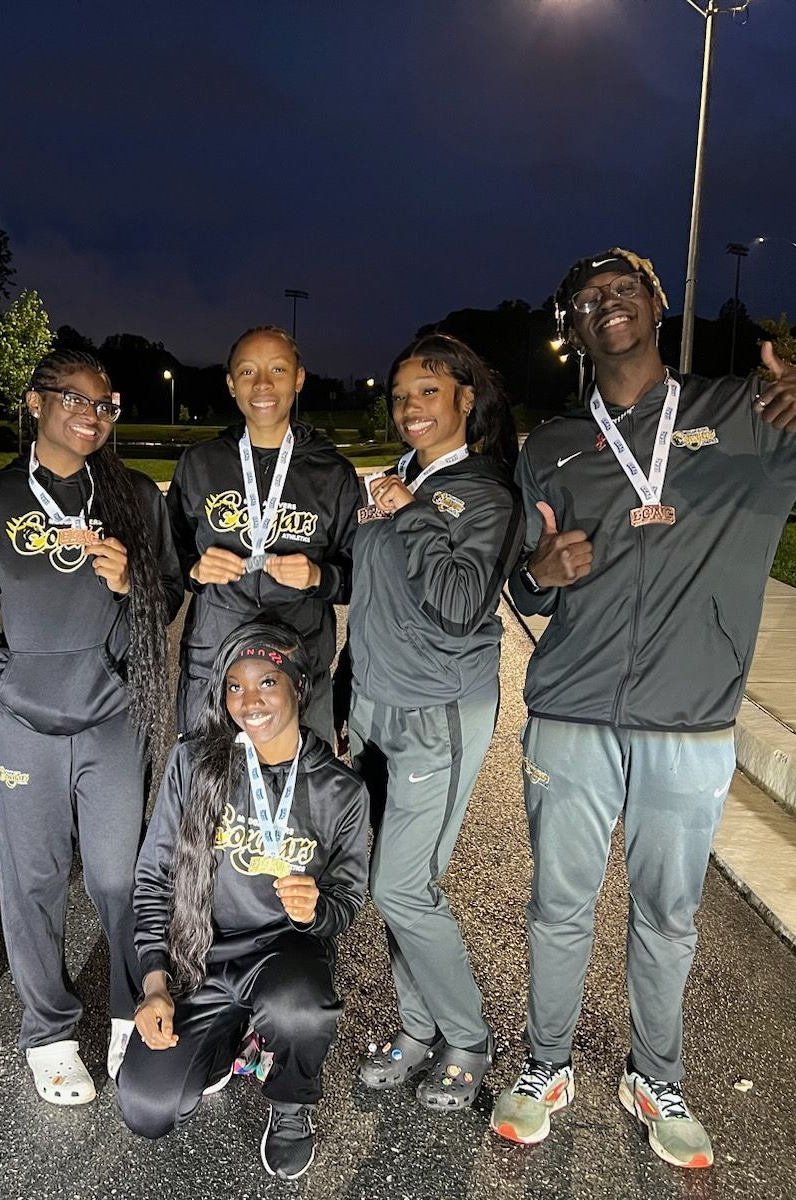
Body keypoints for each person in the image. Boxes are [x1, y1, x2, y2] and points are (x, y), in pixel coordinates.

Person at [491, 248, 796, 1167]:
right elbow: (525, 590)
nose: (606, 305)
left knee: (667, 913)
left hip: (691, 723)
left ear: (656, 304)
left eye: (622, 289)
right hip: (572, 713)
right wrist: (537, 576)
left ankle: (656, 1077)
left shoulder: (746, 415)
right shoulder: (553, 444)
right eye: (586, 299)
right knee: (559, 907)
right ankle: (546, 1064)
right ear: (571, 330)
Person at [0, 349, 182, 1105]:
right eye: (73, 399)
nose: (92, 414)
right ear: (35, 402)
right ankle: (47, 1031)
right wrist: (14, 687)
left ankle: (127, 1012)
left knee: (122, 879)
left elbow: (168, 599)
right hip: (27, 724)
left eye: (105, 403)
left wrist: (128, 582)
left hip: (115, 719)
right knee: (34, 881)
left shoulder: (137, 499)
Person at [343, 333, 525, 1113]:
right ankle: (419, 1032)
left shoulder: (482, 494)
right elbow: (376, 599)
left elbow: (457, 603)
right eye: (401, 395)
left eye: (428, 392)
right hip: (380, 712)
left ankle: (469, 1039)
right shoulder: (405, 477)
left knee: (402, 887)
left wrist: (412, 513)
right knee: (401, 889)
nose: (410, 407)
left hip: (438, 711)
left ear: (464, 401)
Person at [117, 620, 369, 1181]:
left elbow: (349, 895)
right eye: (234, 686)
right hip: (198, 958)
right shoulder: (194, 764)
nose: (248, 701)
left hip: (282, 958)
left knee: (299, 1010)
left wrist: (318, 909)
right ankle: (232, 1034)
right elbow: (155, 877)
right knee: (146, 1107)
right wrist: (153, 985)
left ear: (298, 688)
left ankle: (291, 1104)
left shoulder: (340, 790)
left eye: (265, 684)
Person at [167, 326, 360, 741]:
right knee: (209, 797)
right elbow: (170, 554)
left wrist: (318, 578)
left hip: (299, 668)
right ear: (231, 383)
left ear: (299, 378)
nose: (263, 384)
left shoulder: (333, 474)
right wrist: (194, 570)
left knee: (301, 802)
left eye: (277, 369)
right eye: (248, 371)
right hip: (214, 668)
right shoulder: (199, 463)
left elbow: (359, 575)